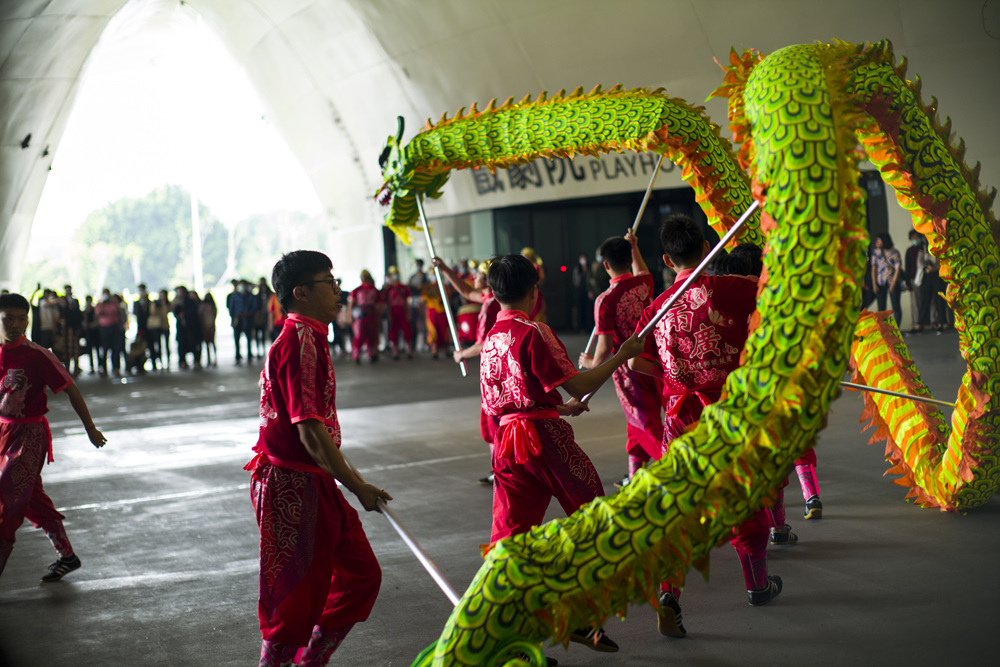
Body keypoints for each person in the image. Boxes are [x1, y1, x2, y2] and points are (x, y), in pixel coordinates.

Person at [630, 214, 793, 639]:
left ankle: (669, 594)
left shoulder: (657, 307)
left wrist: (672, 374)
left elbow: (635, 361)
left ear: (666, 259)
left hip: (680, 418)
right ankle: (757, 585)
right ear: (707, 249)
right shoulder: (734, 288)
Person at [480, 254, 644, 656]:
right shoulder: (533, 331)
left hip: (507, 446)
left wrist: (553, 406)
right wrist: (622, 355)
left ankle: (508, 636)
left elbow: (512, 401)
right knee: (594, 520)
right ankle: (573, 610)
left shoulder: (491, 338)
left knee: (509, 541)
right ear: (534, 291)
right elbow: (579, 382)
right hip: (543, 441)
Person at [246, 250, 392, 667]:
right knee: (293, 601)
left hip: (314, 478)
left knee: (361, 575)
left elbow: (318, 433)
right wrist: (356, 485)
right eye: (329, 282)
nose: (337, 289)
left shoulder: (311, 337)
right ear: (302, 293)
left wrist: (348, 477)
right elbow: (308, 430)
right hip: (291, 484)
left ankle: (310, 661)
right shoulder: (300, 340)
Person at [0, 292, 107, 581]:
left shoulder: (37, 355)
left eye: (21, 318)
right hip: (3, 432)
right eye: (8, 318)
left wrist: (90, 428)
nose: (15, 324)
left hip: (28, 436)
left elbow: (71, 388)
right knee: (32, 497)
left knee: (6, 501)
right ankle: (67, 556)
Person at [578, 231, 663, 488]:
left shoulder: (606, 300)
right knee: (638, 422)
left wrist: (592, 365)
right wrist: (634, 246)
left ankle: (682, 470)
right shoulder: (644, 283)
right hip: (654, 360)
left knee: (646, 423)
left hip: (628, 371)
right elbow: (642, 269)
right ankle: (635, 475)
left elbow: (604, 347)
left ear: (605, 265)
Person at [432, 257, 501, 485]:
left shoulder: (493, 304)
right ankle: (498, 468)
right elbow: (465, 290)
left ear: (489, 279)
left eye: (479, 274)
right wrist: (445, 270)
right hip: (490, 370)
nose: (475, 277)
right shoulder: (489, 299)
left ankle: (502, 469)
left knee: (495, 421)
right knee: (491, 422)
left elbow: (485, 343)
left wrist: (463, 354)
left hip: (495, 370)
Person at [348, 270, 381, 364]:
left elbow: (379, 304)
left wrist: (378, 315)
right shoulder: (357, 290)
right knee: (359, 335)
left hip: (372, 314)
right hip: (360, 315)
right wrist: (350, 316)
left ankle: (371, 353)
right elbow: (351, 304)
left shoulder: (374, 290)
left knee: (372, 334)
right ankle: (356, 354)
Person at [380, 267, 413, 360]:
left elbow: (407, 301)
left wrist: (408, 312)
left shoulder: (404, 287)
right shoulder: (388, 289)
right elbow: (386, 302)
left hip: (403, 310)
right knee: (393, 332)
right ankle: (395, 351)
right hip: (393, 311)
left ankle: (408, 350)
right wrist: (389, 314)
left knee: (407, 330)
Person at [871, 232, 903, 326]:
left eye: (879, 240)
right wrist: (874, 284)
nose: (877, 242)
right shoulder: (875, 253)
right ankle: (883, 329)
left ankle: (897, 329)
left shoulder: (894, 252)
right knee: (881, 308)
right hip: (880, 282)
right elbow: (874, 268)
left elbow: (898, 268)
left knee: (895, 306)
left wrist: (893, 283)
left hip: (892, 281)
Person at [520, 247, 547, 322]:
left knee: (537, 313)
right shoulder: (523, 267)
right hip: (526, 293)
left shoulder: (536, 266)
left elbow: (541, 280)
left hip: (535, 292)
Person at [200, 292, 218, 367]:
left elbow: (214, 315)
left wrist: (211, 325)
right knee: (207, 343)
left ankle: (214, 358)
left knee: (212, 342)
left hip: (211, 325)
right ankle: (209, 358)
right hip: (205, 326)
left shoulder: (212, 306)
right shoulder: (202, 306)